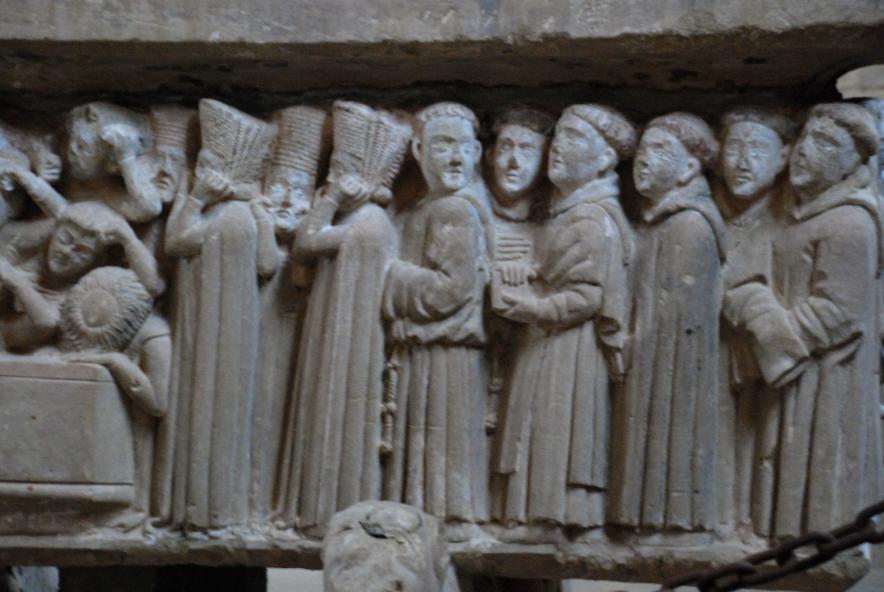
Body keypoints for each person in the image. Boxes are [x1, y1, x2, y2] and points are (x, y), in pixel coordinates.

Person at [723, 103, 882, 536]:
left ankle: (811, 542)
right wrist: (752, 303)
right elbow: (742, 272)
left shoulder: (851, 221)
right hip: (783, 368)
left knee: (814, 460)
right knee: (774, 454)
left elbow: (840, 312)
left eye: (826, 144)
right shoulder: (787, 210)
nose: (806, 151)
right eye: (807, 138)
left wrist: (772, 336)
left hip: (823, 375)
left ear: (851, 163)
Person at [492, 104, 634, 534]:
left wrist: (530, 307)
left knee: (552, 425)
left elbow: (588, 296)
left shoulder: (592, 217)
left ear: (604, 160)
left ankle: (549, 518)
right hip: (552, 339)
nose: (558, 148)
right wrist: (531, 274)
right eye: (560, 138)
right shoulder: (570, 210)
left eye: (574, 139)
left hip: (567, 348)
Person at [610, 112, 725, 532]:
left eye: (660, 150)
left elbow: (678, 318)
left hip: (670, 362)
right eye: (643, 150)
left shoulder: (689, 224)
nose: (644, 159)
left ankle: (671, 522)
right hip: (646, 354)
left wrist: (631, 341)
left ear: (689, 168)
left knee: (669, 437)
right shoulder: (659, 218)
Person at [165, 99, 276, 533]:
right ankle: (215, 508)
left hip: (217, 326)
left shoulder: (227, 213)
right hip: (224, 326)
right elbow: (268, 264)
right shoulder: (241, 212)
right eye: (201, 161)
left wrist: (195, 199)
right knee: (218, 410)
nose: (201, 169)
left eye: (208, 163)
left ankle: (203, 508)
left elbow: (176, 243)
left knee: (209, 409)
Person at [382, 102, 490, 530]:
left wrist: (392, 276)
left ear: (477, 153)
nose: (456, 158)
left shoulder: (455, 210)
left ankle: (446, 523)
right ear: (418, 150)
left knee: (440, 445)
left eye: (464, 147)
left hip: (445, 353)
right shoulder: (425, 208)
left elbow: (451, 290)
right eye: (443, 146)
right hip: (429, 349)